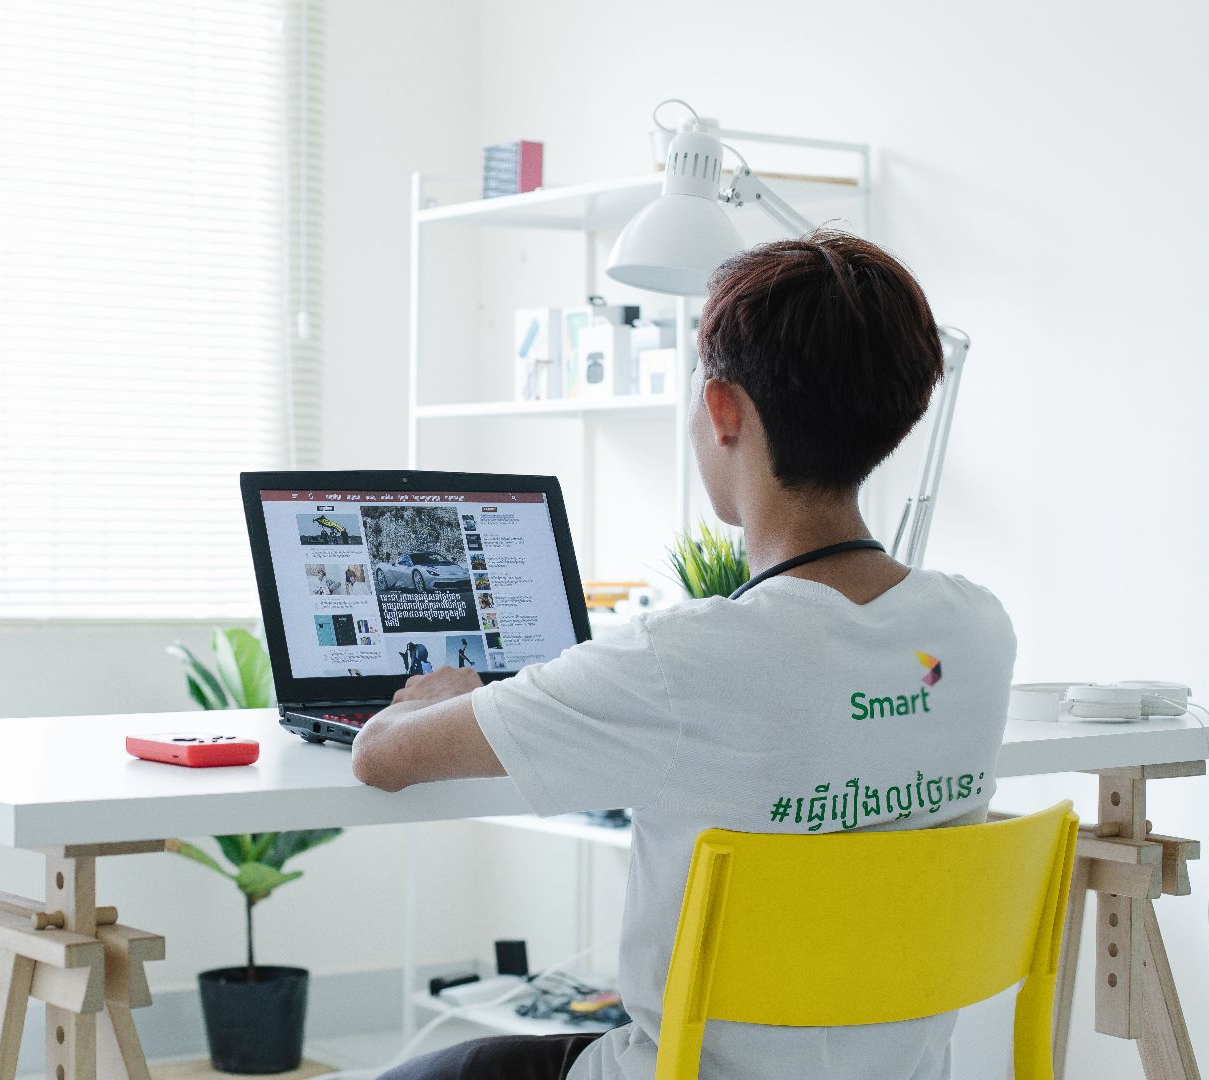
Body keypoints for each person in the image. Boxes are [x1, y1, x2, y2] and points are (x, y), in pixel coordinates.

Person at [354, 232, 1015, 1080]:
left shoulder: (683, 659)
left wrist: (444, 698)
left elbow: (381, 758)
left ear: (724, 410)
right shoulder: (979, 632)